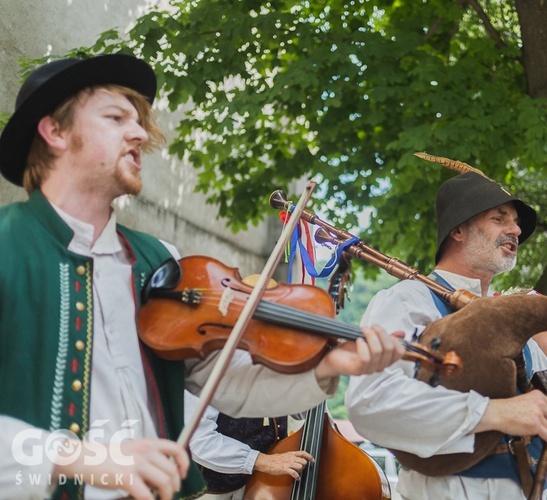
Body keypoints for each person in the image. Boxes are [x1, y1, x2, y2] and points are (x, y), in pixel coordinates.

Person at [0, 53, 404, 499]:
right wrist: (81, 458)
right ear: (54, 131)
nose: (138, 133)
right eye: (115, 117)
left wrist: (328, 365)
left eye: (138, 121)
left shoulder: (158, 261)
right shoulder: (7, 245)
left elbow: (228, 383)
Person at [346, 170, 547, 499]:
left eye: (515, 221)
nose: (515, 230)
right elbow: (370, 404)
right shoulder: (408, 301)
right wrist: (496, 413)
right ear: (458, 229)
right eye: (499, 218)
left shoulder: (515, 330)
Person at [184, 391, 311, 500]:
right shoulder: (207, 369)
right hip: (216, 488)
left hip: (268, 484)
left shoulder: (274, 365)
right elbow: (198, 439)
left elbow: (293, 404)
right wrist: (264, 461)